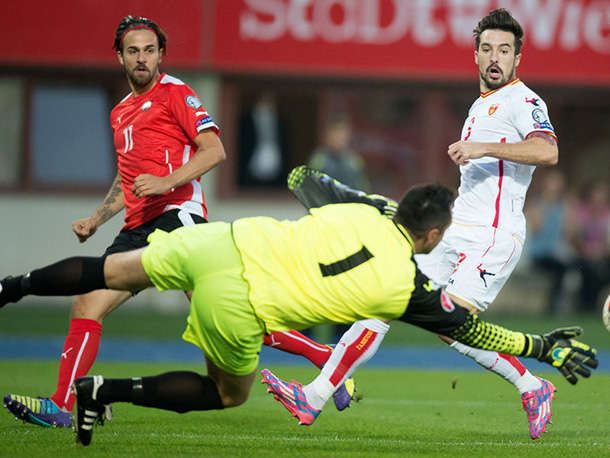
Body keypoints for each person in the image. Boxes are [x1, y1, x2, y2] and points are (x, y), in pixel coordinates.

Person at [0, 166, 597, 447]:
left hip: (223, 241)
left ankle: (12, 286)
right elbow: (470, 328)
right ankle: (104, 391)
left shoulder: (366, 207)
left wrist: (324, 183)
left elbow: (307, 181)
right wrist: (540, 347)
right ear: (434, 236)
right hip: (239, 302)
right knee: (225, 394)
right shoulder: (404, 288)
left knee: (105, 272)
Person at [263, 8, 562, 440]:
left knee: (451, 327)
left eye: (504, 50)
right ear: (476, 55)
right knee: (383, 297)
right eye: (487, 49)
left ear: (517, 58)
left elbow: (547, 151)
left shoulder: (524, 101)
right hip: (458, 227)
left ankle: (532, 385)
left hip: (494, 236)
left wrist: (482, 147)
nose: (495, 57)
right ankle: (313, 396)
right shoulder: (480, 105)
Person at [2, 15, 226, 428]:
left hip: (177, 217)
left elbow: (214, 151)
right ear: (120, 57)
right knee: (87, 302)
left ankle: (323, 367)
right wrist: (96, 218)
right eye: (133, 51)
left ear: (161, 55)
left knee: (217, 313)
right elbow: (128, 181)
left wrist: (166, 182)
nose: (142, 58)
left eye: (149, 50)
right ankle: (60, 406)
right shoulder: (120, 111)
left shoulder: (176, 92)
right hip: (137, 228)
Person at [524, 169, 575, 315]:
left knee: (571, 265)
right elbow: (536, 228)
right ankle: (554, 306)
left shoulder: (564, 206)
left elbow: (569, 233)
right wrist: (545, 205)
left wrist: (569, 209)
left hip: (557, 253)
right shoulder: (536, 204)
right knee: (560, 268)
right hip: (538, 254)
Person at [570, 180, 610, 313]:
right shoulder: (581, 211)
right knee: (586, 270)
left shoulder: (607, 214)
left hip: (603, 257)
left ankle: (594, 306)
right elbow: (575, 236)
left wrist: (600, 254)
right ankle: (585, 306)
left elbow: (608, 242)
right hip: (582, 256)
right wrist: (586, 252)